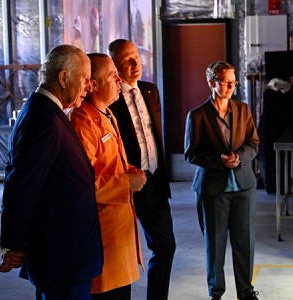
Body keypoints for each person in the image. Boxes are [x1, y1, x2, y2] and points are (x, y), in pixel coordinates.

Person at [0, 44, 102, 299]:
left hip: (66, 256)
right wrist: (13, 243)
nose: (90, 86)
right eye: (85, 78)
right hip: (62, 258)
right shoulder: (44, 119)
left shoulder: (46, 112)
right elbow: (22, 185)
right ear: (64, 78)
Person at [70, 53, 146, 299]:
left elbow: (107, 164)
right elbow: (82, 184)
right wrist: (126, 182)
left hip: (119, 232)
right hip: (103, 235)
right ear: (93, 84)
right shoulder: (83, 122)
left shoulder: (107, 114)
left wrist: (128, 170)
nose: (119, 80)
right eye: (113, 75)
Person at [184, 61, 260, 300]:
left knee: (244, 242)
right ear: (211, 82)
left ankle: (246, 292)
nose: (230, 86)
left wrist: (240, 158)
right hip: (212, 189)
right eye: (225, 81)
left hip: (243, 185)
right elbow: (191, 153)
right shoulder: (197, 116)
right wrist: (219, 159)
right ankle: (216, 292)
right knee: (215, 245)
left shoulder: (243, 110)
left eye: (233, 81)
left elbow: (253, 143)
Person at [107, 39, 176, 300]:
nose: (136, 63)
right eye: (128, 59)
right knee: (119, 255)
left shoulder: (150, 90)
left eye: (136, 56)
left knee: (166, 247)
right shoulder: (110, 99)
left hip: (155, 182)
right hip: (126, 185)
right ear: (115, 65)